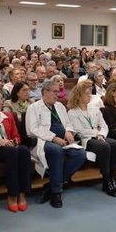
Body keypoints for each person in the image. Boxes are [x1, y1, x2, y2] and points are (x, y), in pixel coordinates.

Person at [26, 80, 86, 208]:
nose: (57, 94)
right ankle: (56, 192)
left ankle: (51, 185)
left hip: (63, 140)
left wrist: (69, 131)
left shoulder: (60, 106)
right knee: (56, 151)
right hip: (44, 141)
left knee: (80, 154)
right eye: (54, 91)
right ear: (44, 92)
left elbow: (68, 123)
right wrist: (53, 138)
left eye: (58, 92)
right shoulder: (34, 107)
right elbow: (32, 130)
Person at [67, 81, 116, 196]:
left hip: (99, 136)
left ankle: (113, 178)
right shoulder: (72, 112)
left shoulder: (94, 109)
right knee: (104, 146)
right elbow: (80, 131)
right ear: (79, 96)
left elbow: (104, 125)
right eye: (87, 94)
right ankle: (106, 180)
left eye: (90, 93)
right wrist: (95, 133)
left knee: (115, 144)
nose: (90, 96)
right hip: (86, 140)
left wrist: (101, 134)